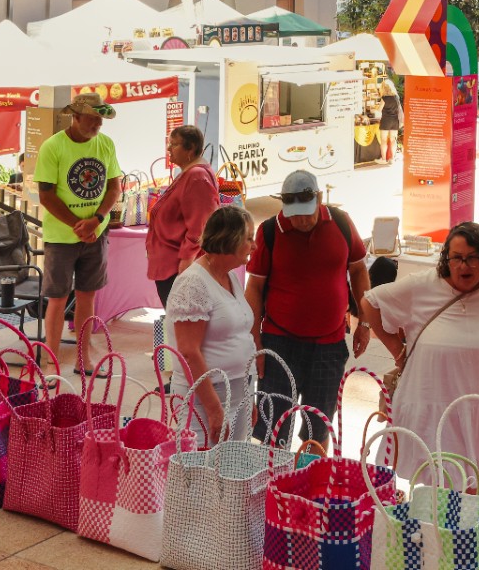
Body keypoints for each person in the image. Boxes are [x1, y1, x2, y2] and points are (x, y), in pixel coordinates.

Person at [363, 221, 479, 481]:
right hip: (435, 399)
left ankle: (467, 513)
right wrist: (397, 352)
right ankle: (439, 516)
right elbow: (370, 303)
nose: (463, 266)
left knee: (474, 479)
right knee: (437, 476)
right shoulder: (423, 285)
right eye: (456, 258)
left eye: (472, 258)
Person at [245, 170, 372, 443]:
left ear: (320, 198)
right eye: (295, 213)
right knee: (273, 428)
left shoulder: (341, 222)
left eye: (307, 212)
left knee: (318, 428)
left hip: (330, 344)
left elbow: (359, 271)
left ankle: (309, 481)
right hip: (279, 343)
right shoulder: (270, 230)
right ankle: (273, 482)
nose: (301, 220)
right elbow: (254, 288)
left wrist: (365, 322)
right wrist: (255, 342)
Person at [34, 92, 122, 374]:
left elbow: (113, 187)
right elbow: (46, 196)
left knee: (88, 297)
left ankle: (84, 359)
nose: (97, 124)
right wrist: (77, 224)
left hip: (95, 234)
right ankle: (52, 362)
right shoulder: (53, 146)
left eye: (100, 119)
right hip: (61, 237)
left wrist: (96, 220)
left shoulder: (106, 144)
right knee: (57, 298)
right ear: (76, 117)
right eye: (92, 118)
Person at [165, 203, 257, 444]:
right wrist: (215, 409)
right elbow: (188, 351)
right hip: (206, 397)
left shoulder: (230, 276)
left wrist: (249, 397)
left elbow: (240, 336)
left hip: (237, 391)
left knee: (232, 467)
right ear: (231, 240)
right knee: (203, 473)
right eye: (249, 239)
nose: (254, 245)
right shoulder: (193, 284)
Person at [147, 125, 221, 305]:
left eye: (174, 144)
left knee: (183, 322)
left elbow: (200, 225)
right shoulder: (190, 173)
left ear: (191, 148)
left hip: (180, 268)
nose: (169, 149)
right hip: (172, 266)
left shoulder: (196, 176)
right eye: (169, 144)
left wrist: (186, 260)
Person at [376, 79, 403, 163]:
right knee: (393, 140)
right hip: (395, 121)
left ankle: (383, 159)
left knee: (383, 140)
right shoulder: (396, 97)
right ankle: (392, 159)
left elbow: (379, 110)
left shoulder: (384, 98)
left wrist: (375, 108)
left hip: (386, 121)